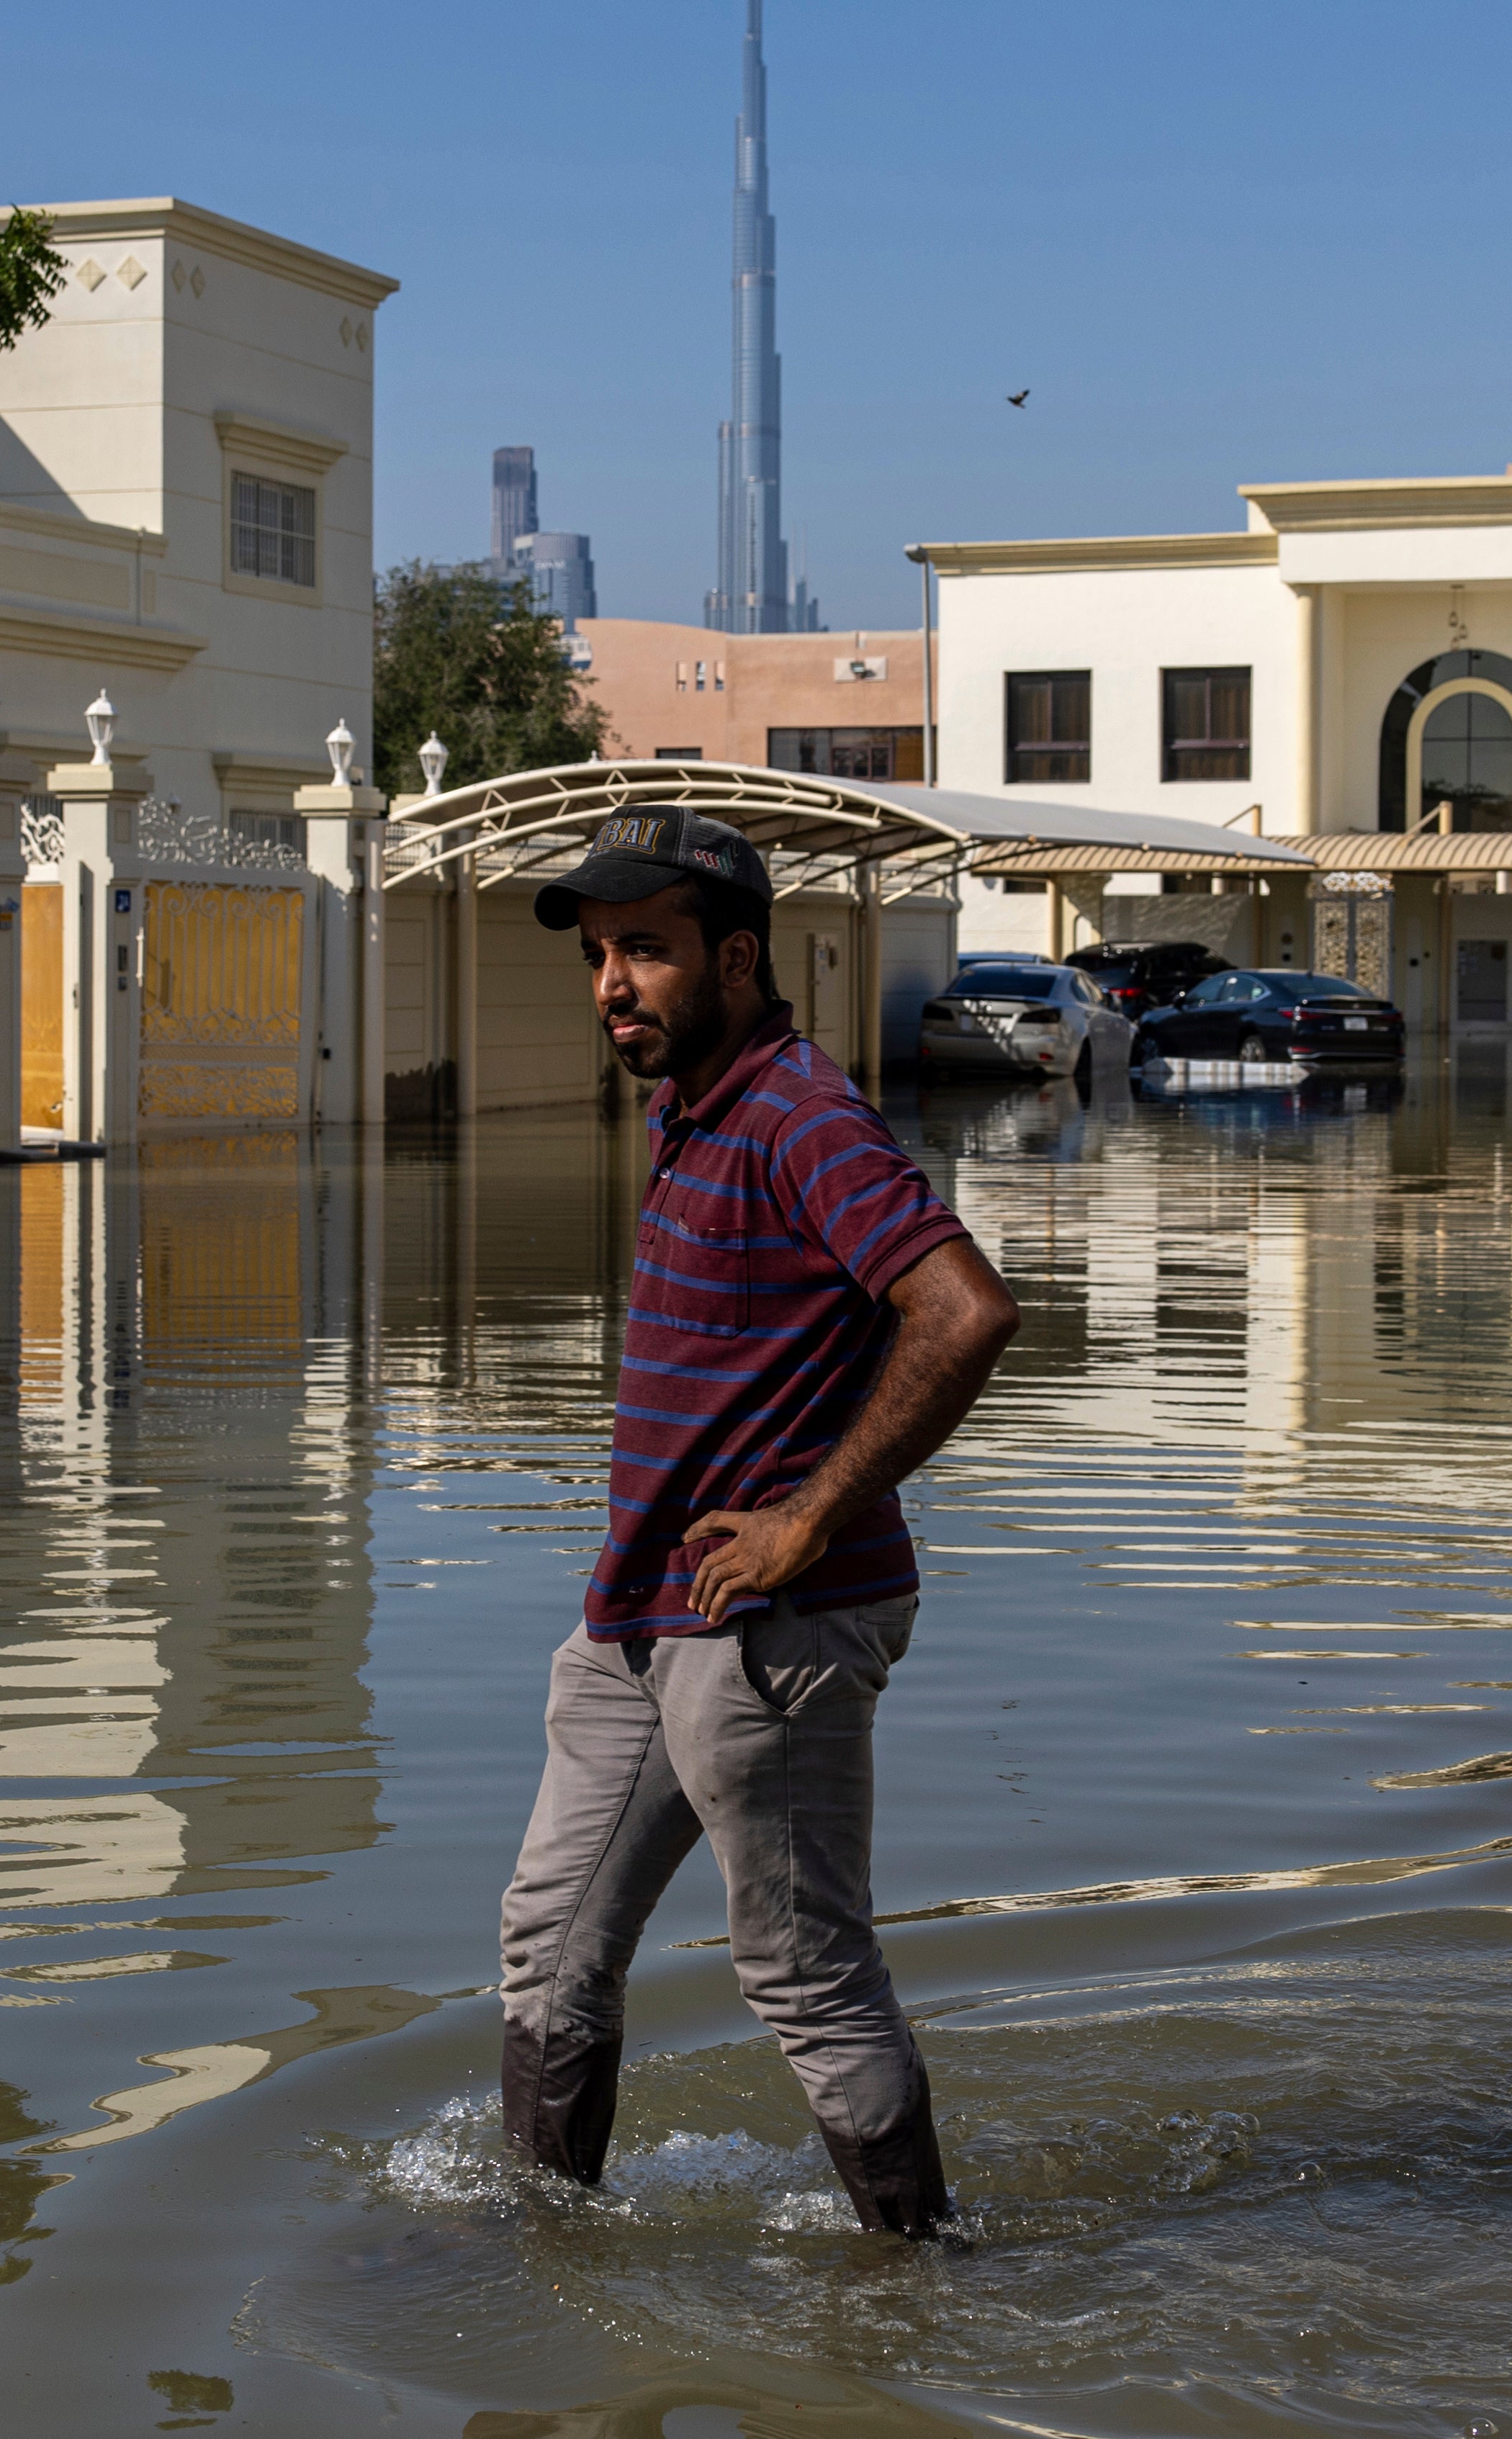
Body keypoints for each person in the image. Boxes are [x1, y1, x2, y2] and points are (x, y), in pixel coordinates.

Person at [494, 804, 1021, 2238]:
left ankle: (921, 2271)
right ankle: (539, 2254)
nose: (611, 982)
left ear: (735, 960)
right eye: (598, 954)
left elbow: (963, 1310)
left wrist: (801, 1521)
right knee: (549, 1946)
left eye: (644, 951)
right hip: (638, 1623)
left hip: (765, 1629)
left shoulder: (797, 1111)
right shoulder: (695, 1113)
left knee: (800, 1970)